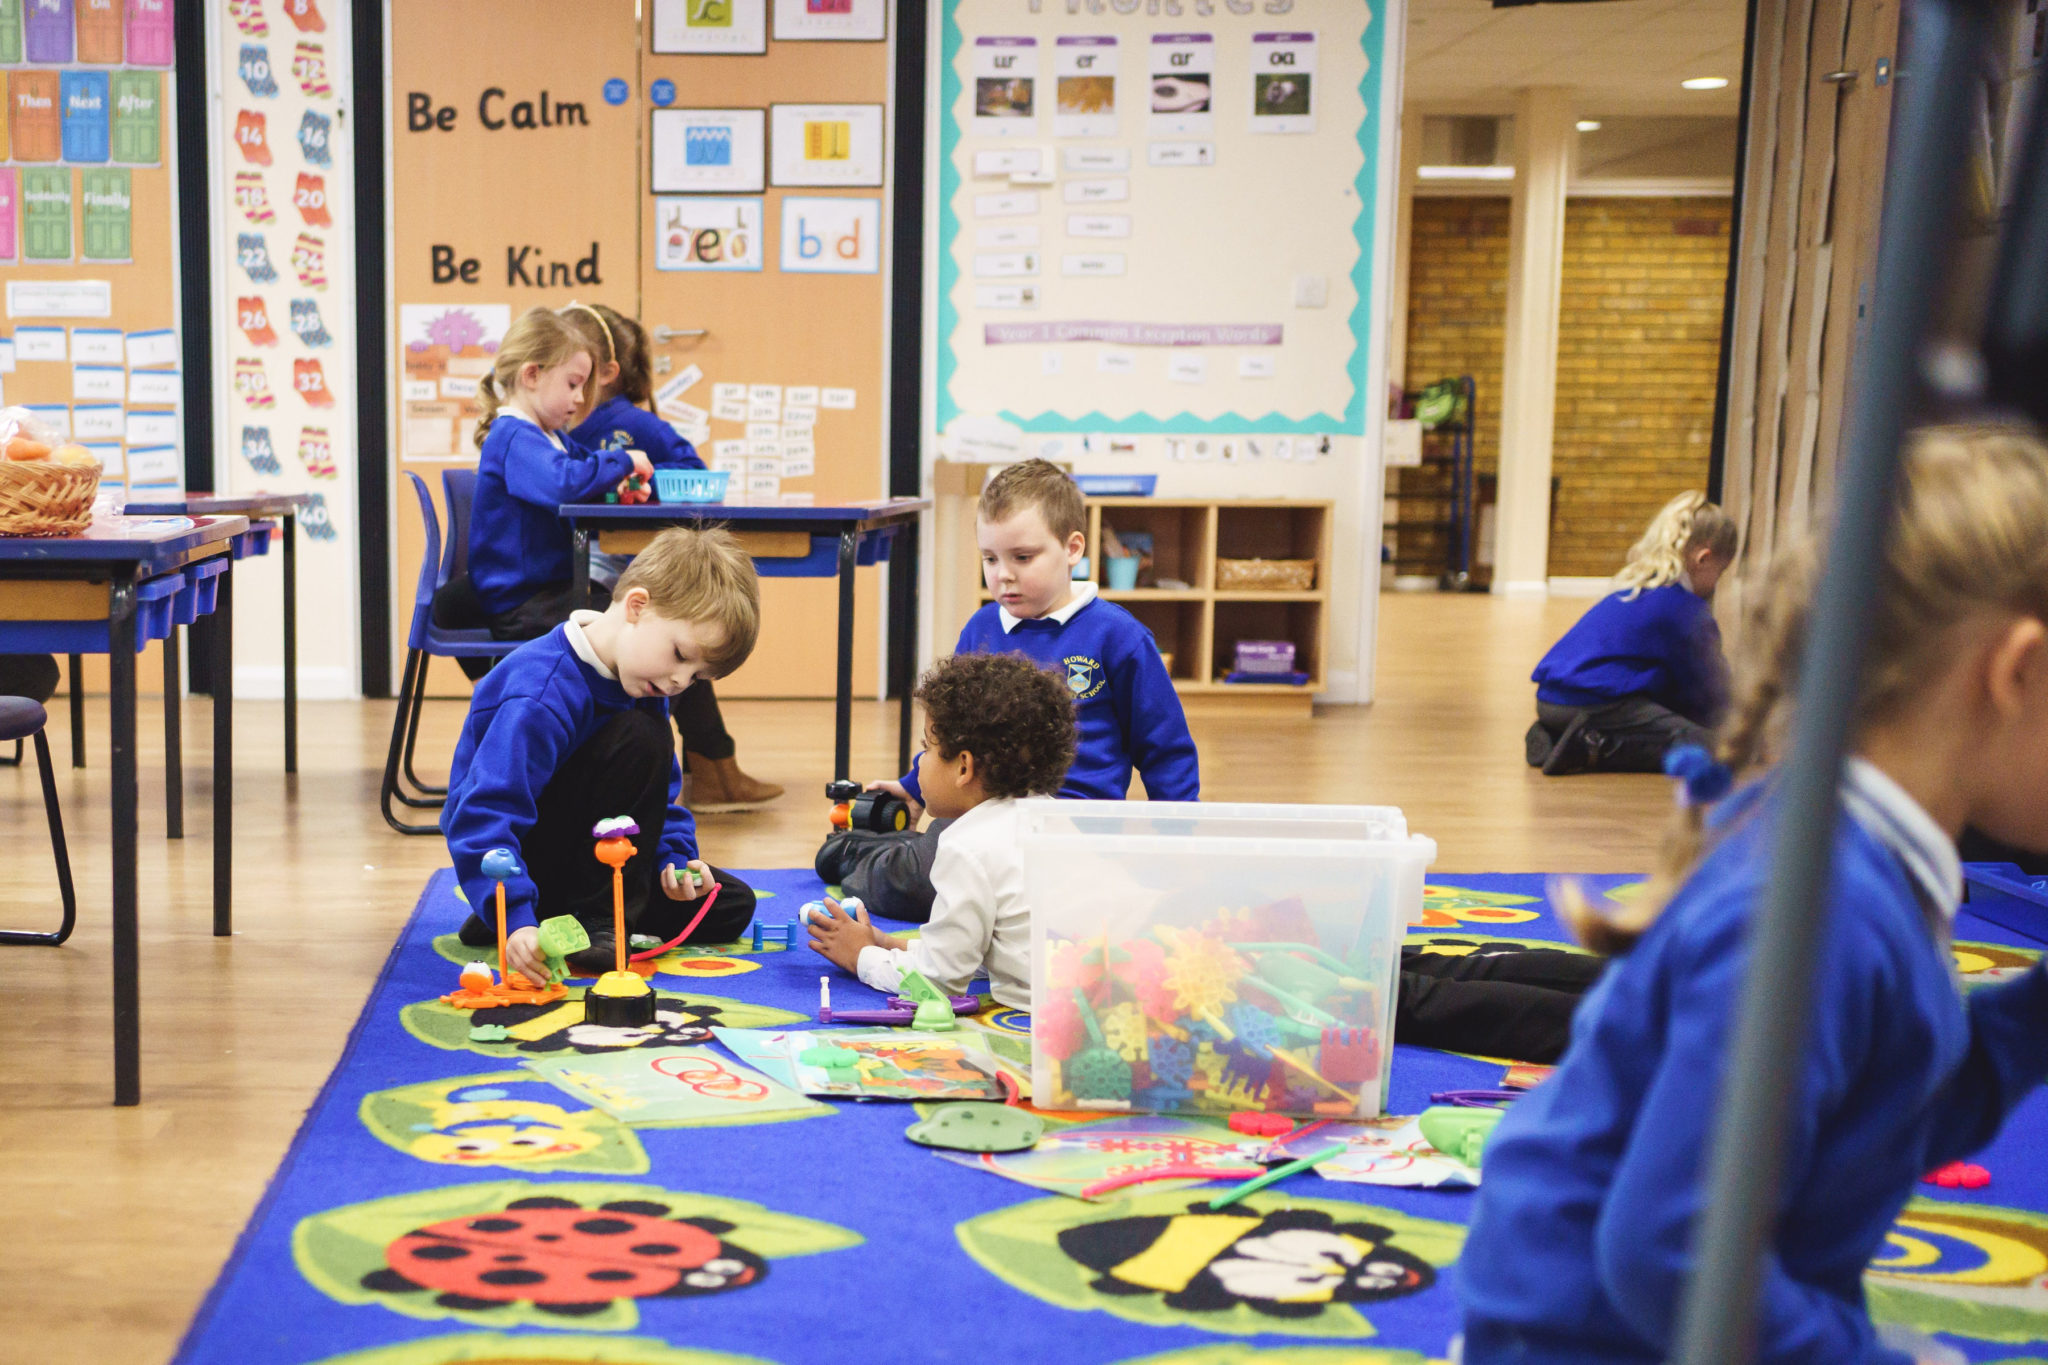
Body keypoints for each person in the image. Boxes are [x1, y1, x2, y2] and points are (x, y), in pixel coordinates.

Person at [1458, 425, 2048, 1365]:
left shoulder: (1866, 866)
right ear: (2016, 672)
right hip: (1596, 1337)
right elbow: (1669, 1253)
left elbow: (1886, 1116)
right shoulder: (1819, 914)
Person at [816, 458, 1200, 921]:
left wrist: (1177, 840)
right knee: (923, 886)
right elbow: (952, 733)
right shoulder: (981, 628)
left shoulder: (1118, 636)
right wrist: (914, 787)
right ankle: (861, 855)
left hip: (1071, 836)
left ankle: (902, 853)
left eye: (1022, 557)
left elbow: (1165, 748)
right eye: (990, 559)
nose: (1003, 575)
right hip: (978, 823)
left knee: (1071, 912)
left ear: (1073, 547)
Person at [442, 526, 761, 983]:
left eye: (695, 677)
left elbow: (660, 799)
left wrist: (675, 858)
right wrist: (512, 913)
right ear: (636, 606)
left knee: (728, 904)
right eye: (679, 655)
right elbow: (484, 813)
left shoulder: (642, 680)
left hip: (597, 858)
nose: (678, 682)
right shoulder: (542, 690)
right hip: (532, 851)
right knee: (640, 736)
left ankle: (562, 912)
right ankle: (576, 918)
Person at [558, 302, 782, 812]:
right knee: (674, 647)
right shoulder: (550, 426)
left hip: (615, 570)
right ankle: (712, 766)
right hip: (571, 576)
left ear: (605, 371)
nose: (568, 390)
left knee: (682, 648)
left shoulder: (632, 423)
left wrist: (637, 480)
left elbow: (693, 474)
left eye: (575, 373)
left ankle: (709, 769)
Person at [806, 651, 1076, 1011]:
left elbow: (938, 980)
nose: (919, 764)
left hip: (1061, 1014)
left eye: (927, 750)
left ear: (963, 767)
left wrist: (861, 956)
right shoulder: (1055, 816)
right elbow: (988, 947)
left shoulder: (967, 846)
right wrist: (888, 943)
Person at [435, 305, 652, 650]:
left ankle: (639, 703)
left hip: (547, 594)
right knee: (646, 623)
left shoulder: (548, 437)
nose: (580, 399)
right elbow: (564, 483)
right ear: (532, 375)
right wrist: (624, 460)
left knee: (648, 616)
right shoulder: (513, 437)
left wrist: (616, 485)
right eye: (572, 384)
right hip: (524, 604)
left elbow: (582, 476)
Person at [1526, 490, 1738, 775]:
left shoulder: (1634, 587)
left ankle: (1553, 734)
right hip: (1592, 703)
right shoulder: (1684, 609)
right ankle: (1591, 748)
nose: (1716, 584)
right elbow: (1710, 688)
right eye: (1720, 572)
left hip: (1550, 701)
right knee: (1715, 746)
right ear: (1703, 559)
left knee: (1666, 718)